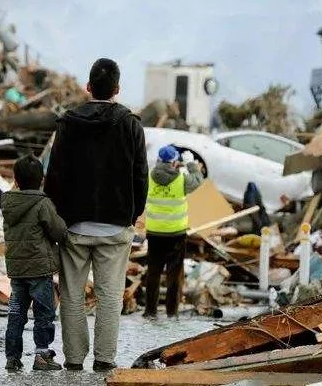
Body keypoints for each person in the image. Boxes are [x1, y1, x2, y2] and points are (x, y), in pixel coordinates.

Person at [44, 58, 148, 372]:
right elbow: (140, 175)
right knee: (110, 296)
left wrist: (57, 217)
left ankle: (74, 359)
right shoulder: (131, 124)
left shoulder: (68, 123)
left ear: (88, 87)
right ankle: (104, 359)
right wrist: (134, 213)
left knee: (73, 296)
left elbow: (55, 175)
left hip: (74, 226)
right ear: (117, 89)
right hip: (115, 227)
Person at [2, 155, 68, 372]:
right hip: (39, 270)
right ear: (41, 180)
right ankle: (41, 355)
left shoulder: (9, 203)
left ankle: (12, 357)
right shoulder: (43, 203)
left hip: (17, 270)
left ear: (17, 180)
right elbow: (58, 231)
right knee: (44, 313)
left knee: (16, 313)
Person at [143, 146, 203, 320]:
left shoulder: (149, 177)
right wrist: (191, 164)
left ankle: (150, 312)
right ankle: (171, 312)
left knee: (153, 273)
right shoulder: (182, 179)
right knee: (174, 276)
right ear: (174, 162)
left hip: (154, 233)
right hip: (176, 234)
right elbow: (198, 180)